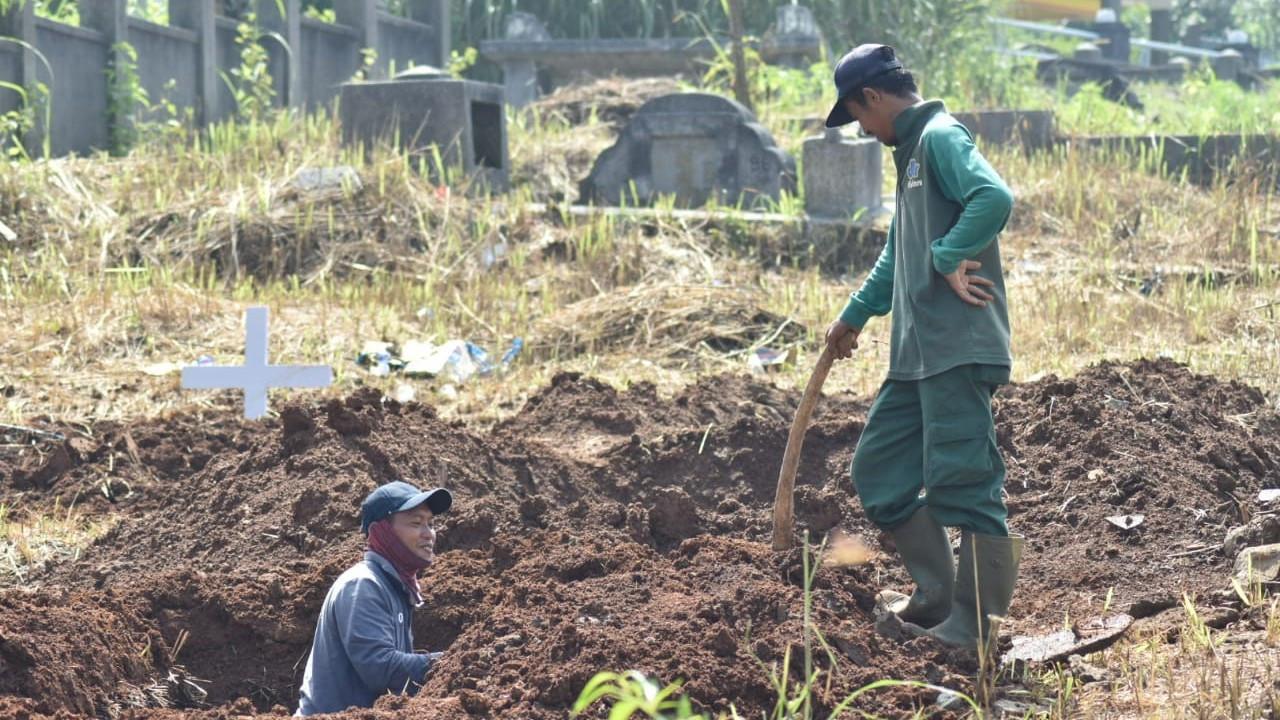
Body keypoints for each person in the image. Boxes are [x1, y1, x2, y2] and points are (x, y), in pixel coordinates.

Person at [821, 44, 1021, 650]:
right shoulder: (909, 155)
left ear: (873, 97)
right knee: (878, 469)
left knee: (964, 480)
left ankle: (977, 624)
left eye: (858, 115)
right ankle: (936, 596)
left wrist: (948, 254)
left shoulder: (938, 137)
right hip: (915, 354)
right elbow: (897, 252)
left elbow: (995, 197)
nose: (861, 128)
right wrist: (854, 314)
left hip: (956, 346)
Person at [296, 481, 453, 715]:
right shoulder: (363, 584)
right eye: (416, 523)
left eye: (431, 524)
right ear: (383, 531)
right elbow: (380, 668)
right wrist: (455, 663)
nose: (428, 534)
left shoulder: (395, 588)